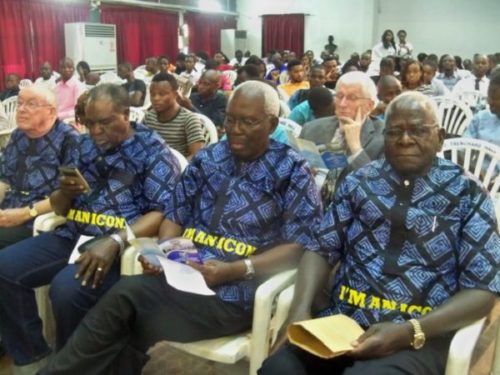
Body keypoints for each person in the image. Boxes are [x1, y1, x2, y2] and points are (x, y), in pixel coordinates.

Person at [38, 80, 323, 375]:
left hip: (238, 291)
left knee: (124, 307)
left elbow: (301, 243)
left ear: (272, 122)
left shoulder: (291, 170)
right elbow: (174, 214)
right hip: (187, 275)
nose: (235, 129)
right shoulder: (209, 158)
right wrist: (167, 251)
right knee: (122, 310)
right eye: (230, 119)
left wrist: (235, 269)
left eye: (248, 122)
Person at [259, 91, 499, 375]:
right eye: (395, 131)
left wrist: (410, 331)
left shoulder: (467, 192)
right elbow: (321, 248)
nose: (405, 139)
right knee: (279, 370)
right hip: (338, 323)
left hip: (418, 336)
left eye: (418, 131)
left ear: (440, 137)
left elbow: (483, 288)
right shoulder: (360, 181)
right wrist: (298, 312)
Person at [0, 84, 181, 375]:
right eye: (90, 123)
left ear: (125, 114)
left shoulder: (153, 151)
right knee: (5, 268)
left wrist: (115, 240)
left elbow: (164, 212)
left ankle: (73, 365)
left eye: (105, 123)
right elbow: (60, 206)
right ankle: (33, 357)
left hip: (120, 245)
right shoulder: (84, 146)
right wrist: (65, 192)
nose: (96, 131)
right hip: (72, 233)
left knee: (66, 289)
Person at [0, 86, 80, 249]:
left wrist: (24, 214)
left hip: (37, 220)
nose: (21, 109)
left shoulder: (69, 140)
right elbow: (4, 179)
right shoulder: (17, 135)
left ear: (50, 111)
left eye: (31, 104)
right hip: (7, 213)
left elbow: (71, 195)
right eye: (19, 103)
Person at [300, 71, 385, 202]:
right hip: (310, 208)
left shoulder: (384, 137)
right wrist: (301, 174)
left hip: (353, 213)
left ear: (370, 105)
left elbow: (377, 188)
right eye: (339, 96)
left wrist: (356, 148)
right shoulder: (311, 129)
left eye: (352, 98)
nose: (343, 104)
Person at [144, 73, 205, 159]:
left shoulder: (189, 119)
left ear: (175, 95)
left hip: (177, 167)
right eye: (152, 94)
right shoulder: (149, 117)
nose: (156, 98)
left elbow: (197, 155)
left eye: (162, 94)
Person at [463, 67, 500, 173]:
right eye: (489, 97)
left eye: (495, 98)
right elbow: (462, 148)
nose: (490, 102)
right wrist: (474, 171)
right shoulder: (480, 118)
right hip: (478, 175)